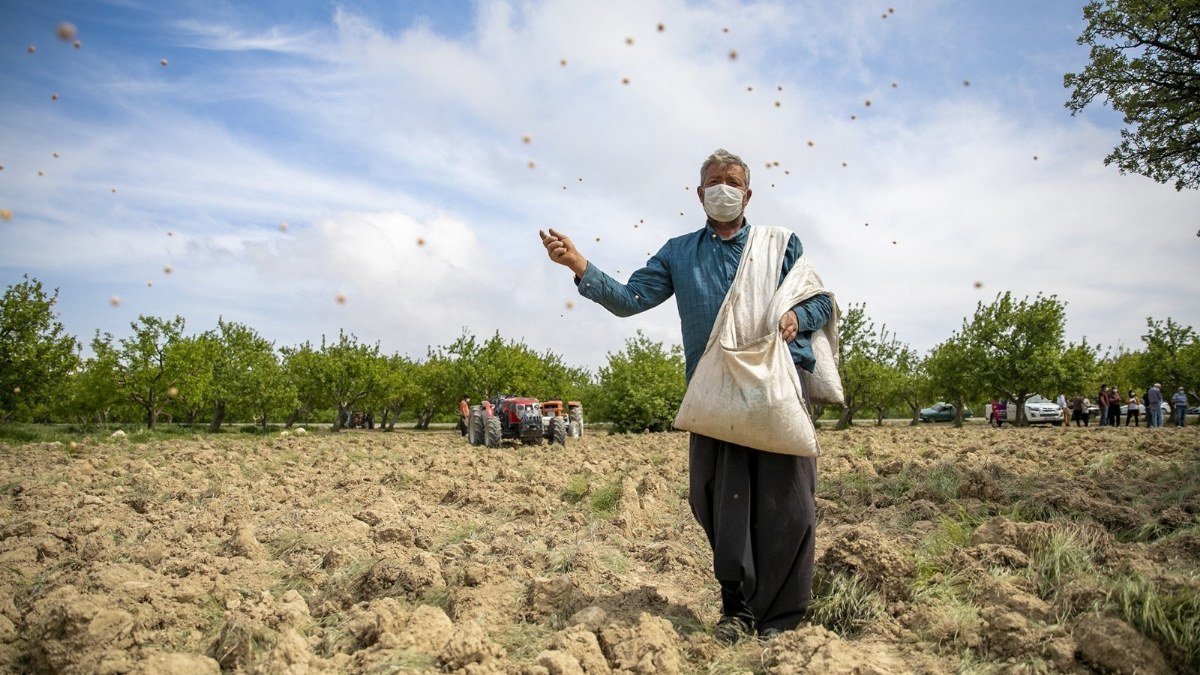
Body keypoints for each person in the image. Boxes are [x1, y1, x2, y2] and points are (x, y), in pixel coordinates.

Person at [539, 149, 834, 644]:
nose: (723, 189)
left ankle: (782, 619)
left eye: (732, 181)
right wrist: (579, 264)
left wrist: (795, 318)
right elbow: (632, 299)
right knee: (720, 502)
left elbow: (820, 299)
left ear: (748, 192)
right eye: (713, 182)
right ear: (699, 195)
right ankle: (737, 610)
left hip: (777, 389)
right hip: (714, 395)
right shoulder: (679, 252)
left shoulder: (779, 244)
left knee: (789, 504)